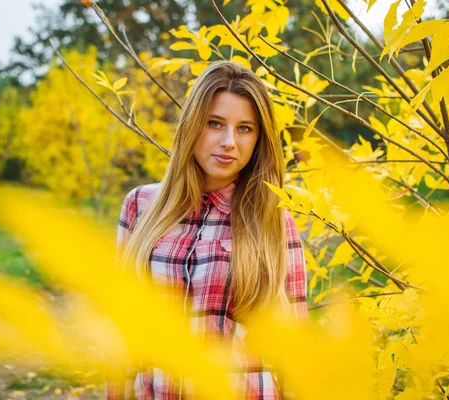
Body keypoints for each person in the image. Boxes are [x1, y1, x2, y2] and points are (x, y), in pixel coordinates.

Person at [106, 60, 307, 399]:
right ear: (192, 125)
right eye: (215, 123)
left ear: (259, 139)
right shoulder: (140, 206)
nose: (229, 141)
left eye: (245, 128)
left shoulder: (274, 220)